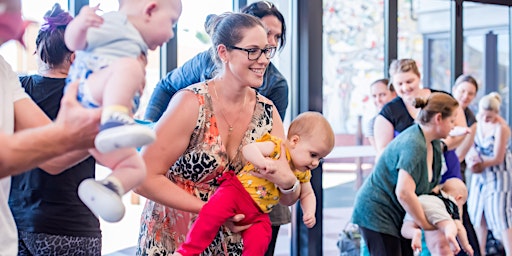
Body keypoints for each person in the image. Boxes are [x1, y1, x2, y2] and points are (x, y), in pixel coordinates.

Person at [135, 12, 300, 255]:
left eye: (266, 51)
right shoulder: (191, 103)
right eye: (252, 51)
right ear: (223, 53)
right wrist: (210, 210)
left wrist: (289, 184)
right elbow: (142, 177)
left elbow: (286, 196)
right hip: (175, 240)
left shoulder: (268, 113)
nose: (263, 60)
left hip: (229, 245)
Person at [64, 0, 183, 222]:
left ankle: (109, 187)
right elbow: (74, 43)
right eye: (171, 23)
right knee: (128, 66)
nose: (170, 35)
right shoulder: (116, 23)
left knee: (137, 168)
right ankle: (114, 122)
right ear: (150, 9)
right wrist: (80, 24)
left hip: (98, 122)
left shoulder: (133, 43)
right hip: (89, 92)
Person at [0, 0, 101, 255]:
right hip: (68, 225)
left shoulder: (15, 80)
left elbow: (53, 158)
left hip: (18, 225)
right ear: (77, 57)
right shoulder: (86, 97)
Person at [173, 111, 335, 256]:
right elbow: (249, 149)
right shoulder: (277, 147)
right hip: (236, 192)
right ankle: (187, 251)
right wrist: (262, 162)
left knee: (262, 238)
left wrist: (309, 212)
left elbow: (307, 193)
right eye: (313, 154)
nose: (315, 163)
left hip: (258, 212)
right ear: (294, 141)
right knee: (210, 215)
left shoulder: (303, 172)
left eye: (320, 158)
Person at [352, 92, 460, 256]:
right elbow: (404, 193)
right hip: (377, 214)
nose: (453, 126)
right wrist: (425, 224)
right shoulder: (414, 144)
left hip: (396, 216)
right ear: (438, 118)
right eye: (452, 121)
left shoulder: (434, 144)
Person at [466, 92, 512, 255]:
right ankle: (480, 251)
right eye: (483, 115)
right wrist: (472, 160)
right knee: (478, 214)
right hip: (479, 177)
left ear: (497, 114)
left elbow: (498, 157)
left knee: (501, 216)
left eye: (490, 117)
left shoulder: (502, 128)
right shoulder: (476, 124)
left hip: (499, 176)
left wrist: (478, 163)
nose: (486, 119)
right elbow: (469, 146)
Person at [451, 74, 482, 256]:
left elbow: (460, 154)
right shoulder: (443, 109)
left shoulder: (471, 120)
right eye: (462, 91)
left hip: (454, 172)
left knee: (460, 218)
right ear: (454, 89)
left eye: (470, 94)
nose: (465, 96)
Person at [401, 178, 474, 256]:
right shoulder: (451, 202)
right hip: (435, 209)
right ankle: (449, 234)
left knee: (406, 227)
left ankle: (414, 232)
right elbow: (459, 228)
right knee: (450, 225)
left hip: (419, 201)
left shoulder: (434, 192)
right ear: (459, 198)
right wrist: (466, 245)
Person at [366, 78, 396, 149]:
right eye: (374, 96)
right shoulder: (372, 124)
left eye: (382, 95)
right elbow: (380, 153)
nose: (378, 100)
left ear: (394, 94)